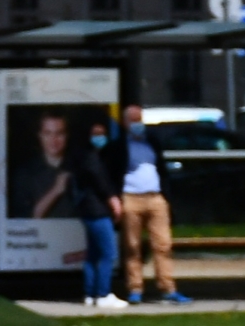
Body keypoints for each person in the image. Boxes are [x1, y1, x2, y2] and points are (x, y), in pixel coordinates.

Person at [110, 103, 190, 304]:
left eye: (140, 119)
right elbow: (112, 173)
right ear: (125, 122)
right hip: (131, 198)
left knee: (163, 244)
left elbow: (161, 169)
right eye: (133, 120)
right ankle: (135, 289)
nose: (138, 124)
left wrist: (166, 196)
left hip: (155, 198)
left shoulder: (152, 142)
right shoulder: (119, 146)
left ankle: (167, 288)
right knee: (132, 246)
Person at [70, 118, 126, 309]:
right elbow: (101, 182)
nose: (99, 137)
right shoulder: (90, 158)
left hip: (87, 210)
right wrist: (113, 200)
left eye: (102, 133)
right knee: (108, 253)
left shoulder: (81, 156)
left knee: (93, 254)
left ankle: (90, 294)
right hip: (97, 210)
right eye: (96, 133)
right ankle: (103, 293)